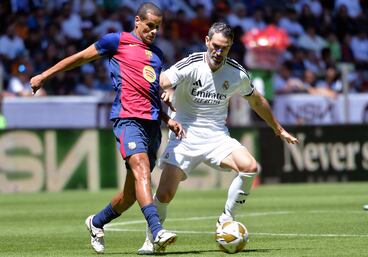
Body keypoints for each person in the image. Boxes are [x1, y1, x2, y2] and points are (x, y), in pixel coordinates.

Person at [29, 2, 185, 254]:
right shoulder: (117, 41)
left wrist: (169, 120)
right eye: (149, 26)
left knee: (130, 196)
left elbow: (151, 94)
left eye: (157, 27)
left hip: (153, 125)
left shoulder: (157, 55)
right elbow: (79, 58)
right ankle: (157, 232)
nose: (154, 31)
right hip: (127, 119)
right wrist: (44, 76)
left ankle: (95, 222)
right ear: (137, 21)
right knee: (143, 170)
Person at [137, 22, 299, 254]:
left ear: (231, 47)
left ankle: (226, 219)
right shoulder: (191, 63)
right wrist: (166, 90)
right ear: (206, 41)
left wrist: (278, 128)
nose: (218, 52)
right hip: (185, 135)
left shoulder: (237, 73)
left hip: (216, 137)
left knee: (249, 166)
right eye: (215, 46)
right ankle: (152, 239)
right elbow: (161, 80)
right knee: (164, 194)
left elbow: (256, 100)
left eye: (224, 47)